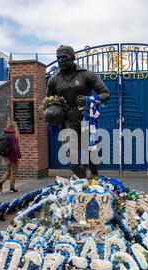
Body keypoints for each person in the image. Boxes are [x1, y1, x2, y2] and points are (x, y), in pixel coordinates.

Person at [47, 45, 110, 179]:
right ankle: (82, 184)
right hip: (67, 120)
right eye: (58, 58)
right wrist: (52, 111)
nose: (61, 61)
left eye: (64, 57)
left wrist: (90, 99)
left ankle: (94, 176)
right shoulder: (53, 80)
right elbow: (48, 100)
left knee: (90, 153)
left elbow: (106, 94)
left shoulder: (87, 75)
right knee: (73, 159)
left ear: (73, 57)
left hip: (85, 119)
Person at [0, 120, 21, 193]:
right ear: (14, 126)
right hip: (12, 157)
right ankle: (12, 188)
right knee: (13, 172)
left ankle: (0, 183)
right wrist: (19, 156)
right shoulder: (13, 135)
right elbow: (16, 148)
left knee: (8, 171)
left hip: (6, 157)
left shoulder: (4, 133)